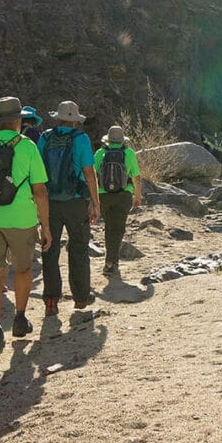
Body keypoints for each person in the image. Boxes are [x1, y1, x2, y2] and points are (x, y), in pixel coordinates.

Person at [0, 97, 53, 349]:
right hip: (22, 219)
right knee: (22, 269)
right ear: (19, 120)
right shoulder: (27, 146)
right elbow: (40, 190)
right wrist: (46, 226)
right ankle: (20, 319)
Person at [37, 100, 100, 314]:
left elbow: (37, 173)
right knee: (79, 248)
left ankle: (51, 300)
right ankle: (81, 298)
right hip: (75, 202)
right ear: (75, 121)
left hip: (49, 202)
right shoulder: (81, 139)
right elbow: (89, 174)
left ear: (58, 117)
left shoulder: (45, 137)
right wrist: (95, 203)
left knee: (49, 248)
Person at [93, 125, 143, 275]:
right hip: (123, 195)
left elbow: (93, 176)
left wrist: (93, 199)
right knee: (118, 229)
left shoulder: (100, 153)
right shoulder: (129, 153)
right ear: (122, 140)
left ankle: (111, 261)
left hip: (103, 195)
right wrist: (137, 196)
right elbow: (137, 177)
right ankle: (111, 262)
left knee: (109, 227)